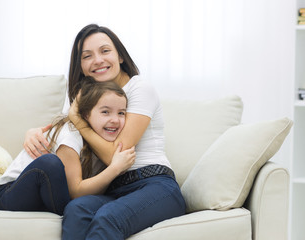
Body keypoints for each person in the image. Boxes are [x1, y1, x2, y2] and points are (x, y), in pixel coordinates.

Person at [23, 23, 186, 240]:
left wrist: (79, 121)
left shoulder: (139, 88)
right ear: (80, 66)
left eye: (105, 51)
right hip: (114, 190)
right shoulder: (85, 99)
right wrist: (33, 132)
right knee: (76, 209)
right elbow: (61, 129)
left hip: (156, 185)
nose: (97, 60)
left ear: (120, 56)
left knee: (108, 218)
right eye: (87, 56)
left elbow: (114, 155)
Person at [0, 78, 135, 216]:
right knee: (50, 163)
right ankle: (73, 213)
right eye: (105, 112)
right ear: (85, 115)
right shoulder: (71, 135)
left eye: (121, 113)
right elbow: (76, 191)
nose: (115, 120)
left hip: (45, 195)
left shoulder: (106, 142)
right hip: (8, 194)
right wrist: (115, 168)